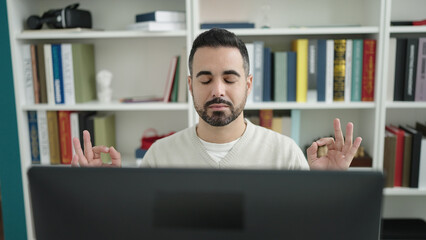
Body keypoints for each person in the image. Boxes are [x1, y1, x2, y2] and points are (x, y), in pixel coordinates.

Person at [71, 28, 362, 170]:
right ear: (190, 85)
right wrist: (105, 191)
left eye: (230, 78)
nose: (218, 91)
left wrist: (329, 185)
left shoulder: (285, 154)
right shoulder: (159, 156)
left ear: (248, 85)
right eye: (206, 79)